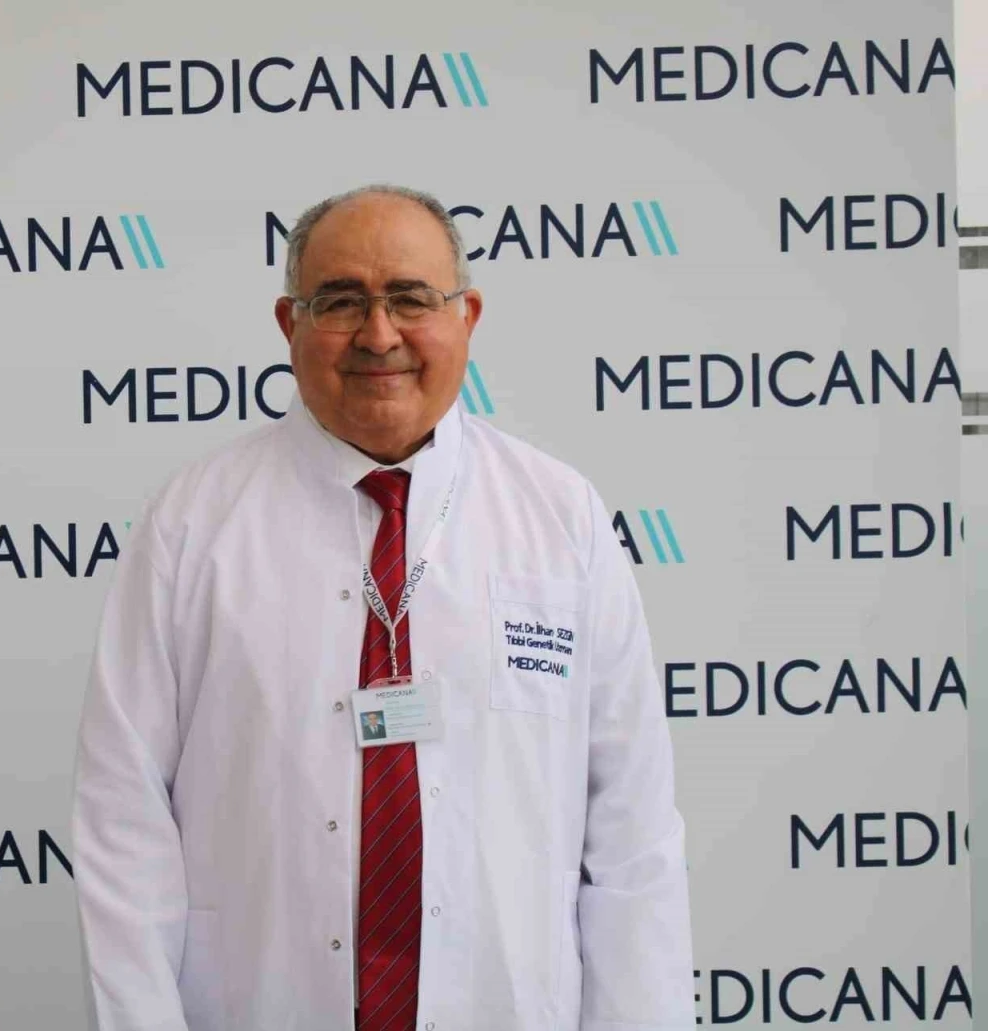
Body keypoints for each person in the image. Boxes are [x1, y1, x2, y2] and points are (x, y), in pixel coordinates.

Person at [72, 184, 695, 1031]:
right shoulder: (193, 524)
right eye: (340, 301)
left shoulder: (562, 518)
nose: (378, 334)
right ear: (289, 325)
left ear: (467, 315)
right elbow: (123, 815)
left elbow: (632, 834)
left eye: (411, 298)